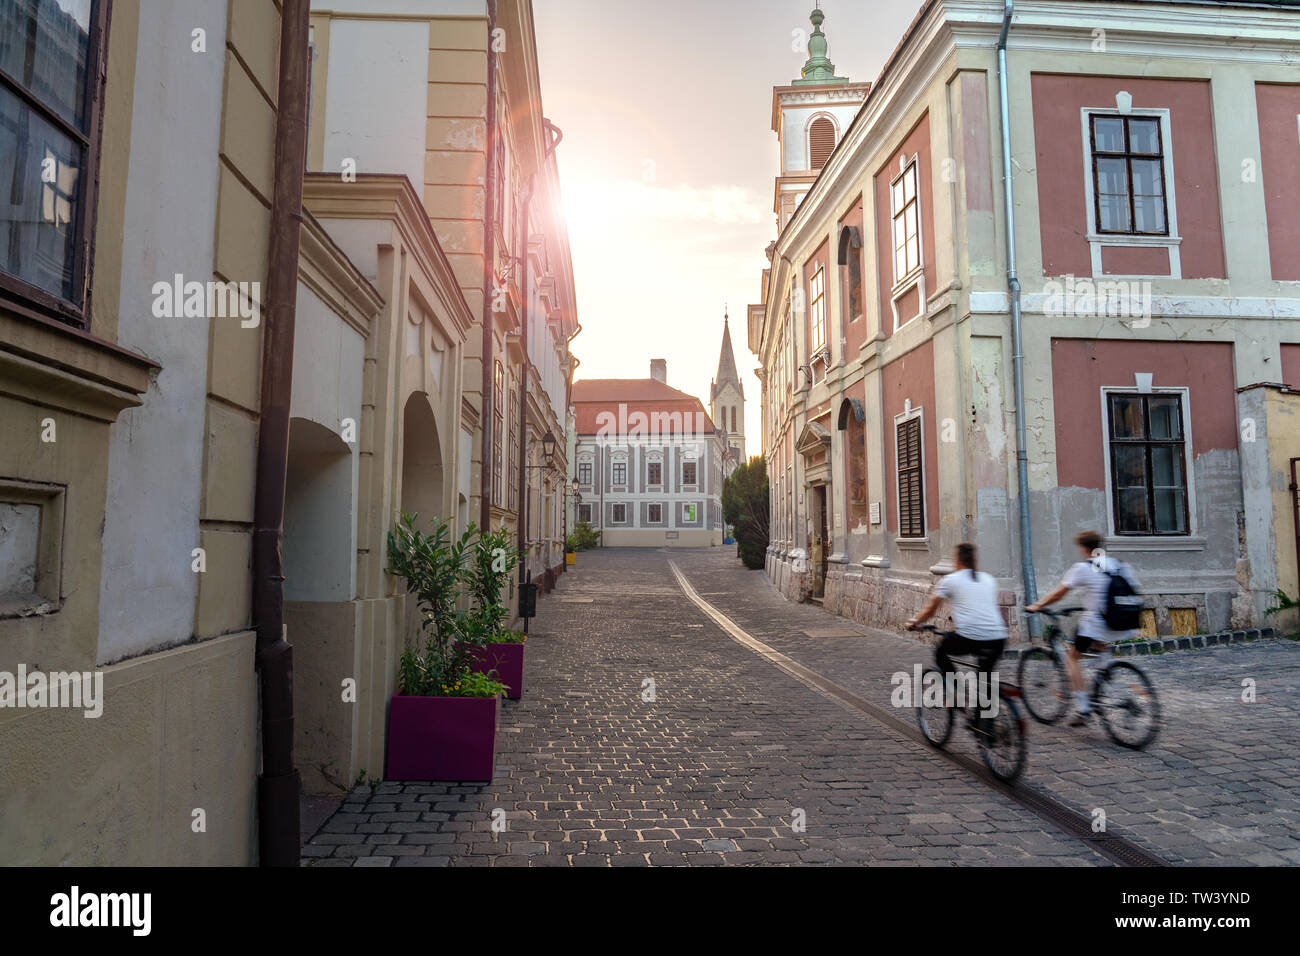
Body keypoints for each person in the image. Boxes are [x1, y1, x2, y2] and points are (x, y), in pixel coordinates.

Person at [1026, 530, 1139, 726]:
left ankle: (1083, 708)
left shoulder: (1083, 568)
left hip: (1097, 624)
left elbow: (1058, 594)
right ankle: (1105, 673)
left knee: (1072, 657)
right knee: (1099, 643)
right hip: (1123, 622)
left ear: (1085, 549)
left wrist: (1037, 606)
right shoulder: (1119, 566)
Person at [907, 543, 1008, 723]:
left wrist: (915, 623)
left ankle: (959, 695)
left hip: (970, 637)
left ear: (956, 560)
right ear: (975, 560)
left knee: (940, 651)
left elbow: (931, 610)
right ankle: (985, 729)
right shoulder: (988, 579)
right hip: (998, 637)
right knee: (985, 678)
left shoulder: (951, 580)